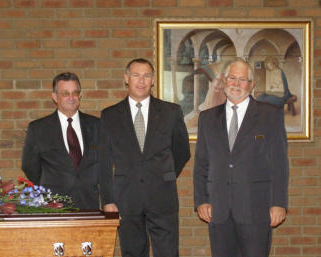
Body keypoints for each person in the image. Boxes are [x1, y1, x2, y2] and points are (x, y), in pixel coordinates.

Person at [194, 59, 289, 257]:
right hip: (218, 210)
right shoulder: (207, 118)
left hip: (256, 208)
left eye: (243, 80)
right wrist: (201, 200)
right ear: (225, 81)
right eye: (232, 78)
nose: (236, 84)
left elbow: (279, 164)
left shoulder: (270, 115)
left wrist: (279, 203)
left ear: (251, 84)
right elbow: (201, 163)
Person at [99, 58, 191, 257]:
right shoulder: (110, 115)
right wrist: (108, 200)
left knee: (168, 253)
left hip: (163, 197)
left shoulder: (171, 112)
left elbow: (182, 151)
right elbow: (104, 162)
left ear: (153, 81)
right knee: (132, 253)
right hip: (126, 199)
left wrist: (164, 174)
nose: (141, 81)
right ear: (126, 79)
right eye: (136, 75)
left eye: (146, 76)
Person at [22, 72, 100, 210]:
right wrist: (49, 187)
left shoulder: (97, 125)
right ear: (55, 97)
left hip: (89, 203)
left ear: (80, 95)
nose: (71, 98)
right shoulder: (38, 128)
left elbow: (104, 163)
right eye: (65, 93)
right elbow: (29, 166)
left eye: (75, 92)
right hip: (53, 205)